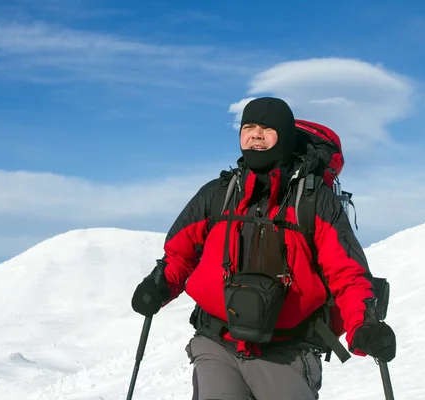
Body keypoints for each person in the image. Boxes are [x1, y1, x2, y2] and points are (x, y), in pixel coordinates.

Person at [131, 97, 396, 399]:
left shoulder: (313, 201)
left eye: (267, 128)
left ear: (283, 136)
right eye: (249, 127)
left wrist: (363, 326)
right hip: (217, 343)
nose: (256, 134)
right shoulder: (217, 194)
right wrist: (160, 285)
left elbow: (347, 274)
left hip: (286, 350)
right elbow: (180, 255)